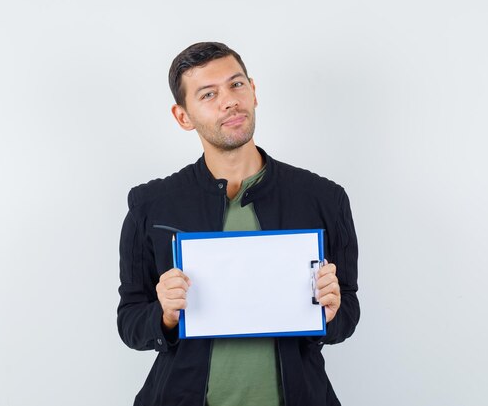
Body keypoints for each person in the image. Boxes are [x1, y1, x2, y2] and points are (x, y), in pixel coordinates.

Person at [117, 42, 359, 406]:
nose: (229, 101)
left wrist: (331, 311)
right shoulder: (151, 205)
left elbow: (348, 310)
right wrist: (164, 314)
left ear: (254, 92)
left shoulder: (323, 198)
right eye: (208, 94)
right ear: (183, 116)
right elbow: (131, 321)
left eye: (236, 85)